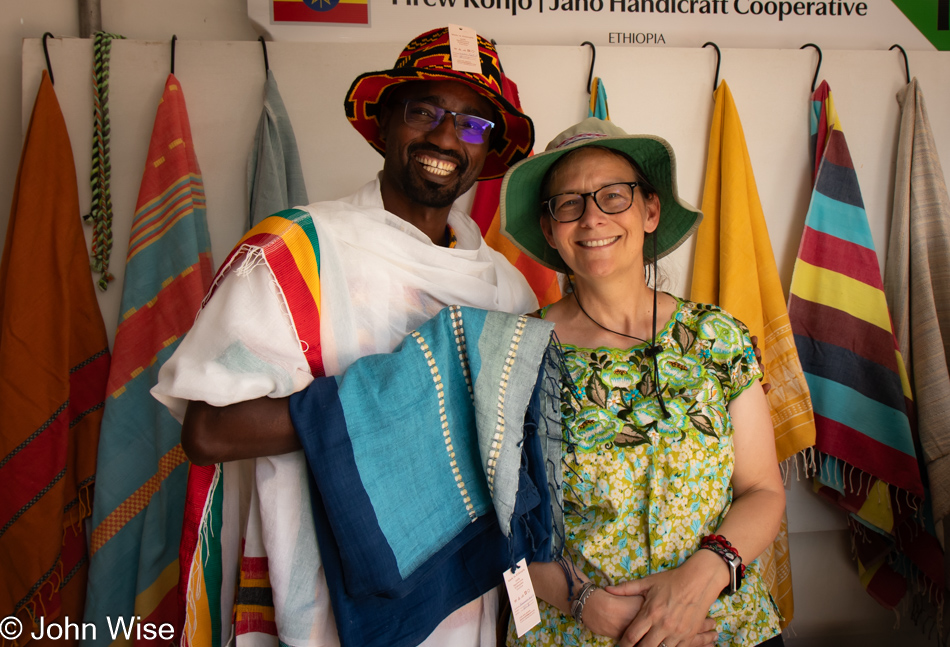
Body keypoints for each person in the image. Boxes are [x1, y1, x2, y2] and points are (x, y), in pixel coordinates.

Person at [152, 27, 538, 647]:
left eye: (472, 125)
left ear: (488, 153)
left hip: (460, 603)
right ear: (382, 121)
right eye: (424, 112)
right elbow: (207, 431)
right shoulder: (296, 252)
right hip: (320, 599)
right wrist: (415, 400)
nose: (446, 137)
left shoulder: (507, 292)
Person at [498, 117, 786, 647]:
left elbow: (763, 490)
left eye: (614, 196)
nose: (591, 218)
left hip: (722, 628)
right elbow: (499, 530)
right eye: (569, 203)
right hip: (576, 635)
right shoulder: (515, 353)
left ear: (650, 210)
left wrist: (700, 579)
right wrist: (583, 603)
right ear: (550, 229)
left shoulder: (717, 337)